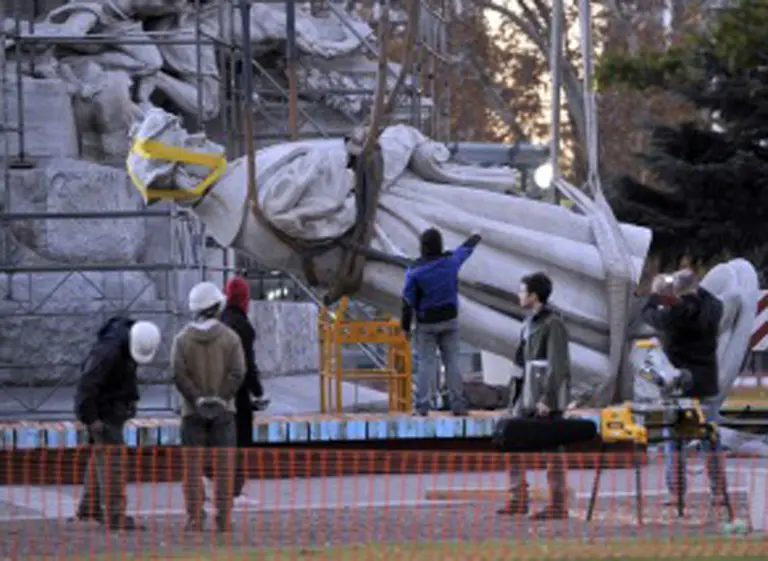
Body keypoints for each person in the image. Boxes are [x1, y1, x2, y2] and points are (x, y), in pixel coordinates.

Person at [642, 268, 727, 504]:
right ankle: (718, 491)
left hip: (679, 382)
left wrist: (656, 294)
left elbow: (649, 316)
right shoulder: (714, 307)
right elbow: (700, 296)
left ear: (676, 290)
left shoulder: (676, 314)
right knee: (710, 437)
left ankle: (677, 492)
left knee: (675, 439)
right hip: (707, 379)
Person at [74, 317, 161, 531]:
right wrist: (91, 418)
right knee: (113, 462)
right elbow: (86, 386)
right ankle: (115, 516)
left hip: (111, 409)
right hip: (103, 412)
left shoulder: (124, 346)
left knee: (102, 457)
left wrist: (131, 399)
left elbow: (125, 378)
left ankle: (89, 507)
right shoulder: (108, 352)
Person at [172, 281, 246, 532]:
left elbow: (178, 375)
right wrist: (222, 398)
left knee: (192, 467)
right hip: (224, 412)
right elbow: (238, 372)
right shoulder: (230, 338)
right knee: (224, 467)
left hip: (192, 413)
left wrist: (197, 399)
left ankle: (194, 516)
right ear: (217, 306)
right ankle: (223, 518)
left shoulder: (181, 340)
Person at [498, 272, 571, 520]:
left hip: (541, 396)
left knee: (552, 450)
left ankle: (557, 504)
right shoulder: (528, 323)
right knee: (512, 443)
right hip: (525, 394)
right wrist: (513, 395)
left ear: (534, 295)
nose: (519, 295)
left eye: (522, 291)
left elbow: (558, 364)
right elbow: (520, 361)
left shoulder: (553, 324)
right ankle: (518, 499)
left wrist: (548, 399)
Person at [401, 228, 481, 416]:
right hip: (450, 321)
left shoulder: (414, 272)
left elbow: (407, 302)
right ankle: (458, 405)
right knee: (452, 362)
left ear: (422, 247)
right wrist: (476, 236)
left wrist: (405, 327)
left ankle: (422, 406)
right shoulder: (450, 262)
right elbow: (465, 250)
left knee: (426, 364)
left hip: (426, 324)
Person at [220, 275, 270, 499]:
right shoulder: (243, 327)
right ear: (244, 300)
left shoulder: (220, 321)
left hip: (219, 392)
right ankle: (234, 489)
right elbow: (247, 364)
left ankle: (223, 487)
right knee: (241, 441)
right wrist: (258, 391)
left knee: (222, 441)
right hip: (239, 395)